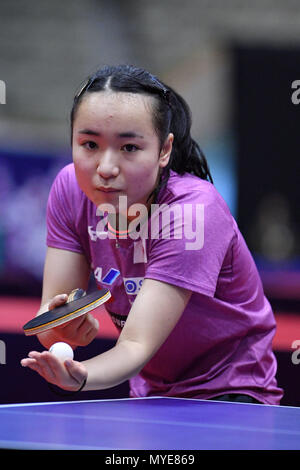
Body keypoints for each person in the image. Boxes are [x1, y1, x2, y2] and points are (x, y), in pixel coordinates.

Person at [21, 64, 283, 405]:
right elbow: (50, 316)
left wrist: (81, 376)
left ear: (163, 150)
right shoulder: (70, 190)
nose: (105, 167)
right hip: (150, 394)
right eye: (89, 144)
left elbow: (135, 345)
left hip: (232, 394)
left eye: (129, 147)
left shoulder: (192, 212)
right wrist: (59, 328)